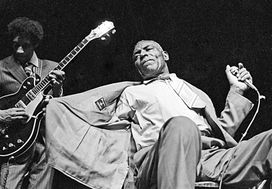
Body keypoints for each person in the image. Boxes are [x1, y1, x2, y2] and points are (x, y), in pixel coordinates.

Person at [114, 40, 272, 189]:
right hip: (160, 159)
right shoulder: (132, 92)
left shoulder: (193, 91)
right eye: (137, 55)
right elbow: (117, 136)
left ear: (165, 55)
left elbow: (221, 132)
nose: (142, 54)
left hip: (208, 157)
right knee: (182, 125)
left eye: (148, 49)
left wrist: (237, 89)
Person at [0, 17, 65, 189]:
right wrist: (0, 114)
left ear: (35, 44)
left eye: (26, 45)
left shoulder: (52, 67)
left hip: (44, 143)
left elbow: (58, 107)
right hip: (15, 141)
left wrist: (58, 88)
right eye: (16, 45)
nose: (20, 50)